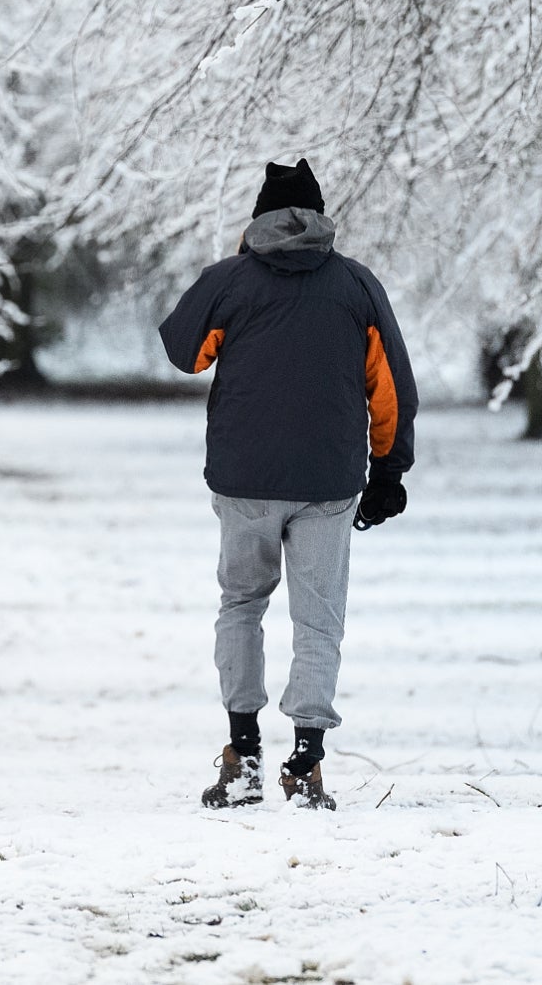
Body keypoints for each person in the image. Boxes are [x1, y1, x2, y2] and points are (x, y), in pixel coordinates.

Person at [158, 159, 417, 811]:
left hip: (245, 477)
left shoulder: (232, 279)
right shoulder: (357, 285)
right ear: (322, 217)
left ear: (258, 218)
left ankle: (243, 754)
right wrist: (388, 469)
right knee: (319, 619)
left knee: (242, 603)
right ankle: (306, 763)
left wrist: (233, 272)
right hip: (328, 480)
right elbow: (392, 388)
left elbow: (184, 351)